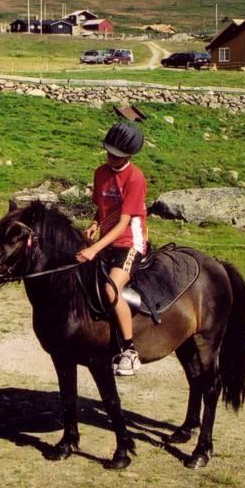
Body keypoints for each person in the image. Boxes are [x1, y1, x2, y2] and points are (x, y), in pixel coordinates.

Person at [75, 122, 148, 377]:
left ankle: (129, 350)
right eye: (109, 152)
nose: (111, 157)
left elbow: (123, 222)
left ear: (128, 155)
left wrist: (94, 249)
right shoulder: (100, 173)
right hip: (106, 237)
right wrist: (94, 224)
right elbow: (103, 208)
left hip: (129, 241)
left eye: (117, 155)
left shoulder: (136, 178)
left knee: (111, 288)